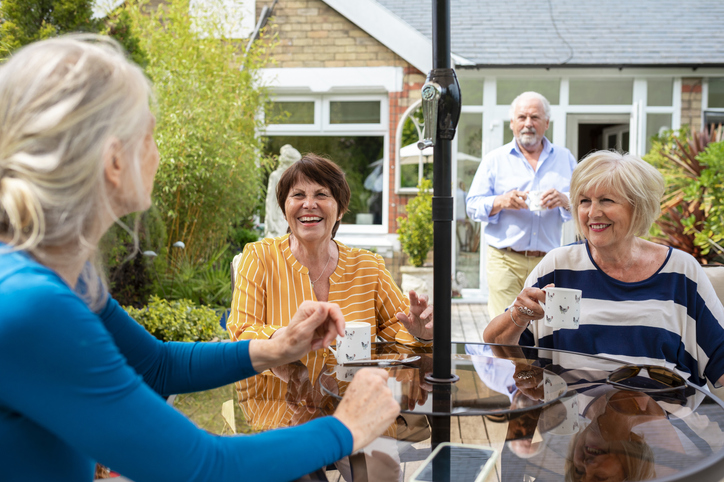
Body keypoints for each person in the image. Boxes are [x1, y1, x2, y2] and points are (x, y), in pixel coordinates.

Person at [0, 35, 401, 482]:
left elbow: (157, 365)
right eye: (151, 133)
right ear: (114, 160)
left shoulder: (67, 283)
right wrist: (346, 428)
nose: (157, 151)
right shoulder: (32, 306)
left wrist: (279, 347)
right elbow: (201, 465)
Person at [483, 150, 724, 388]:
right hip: (574, 420)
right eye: (584, 201)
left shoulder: (680, 272)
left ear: (637, 207)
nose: (593, 213)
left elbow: (719, 355)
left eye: (606, 200)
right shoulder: (558, 265)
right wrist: (518, 315)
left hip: (658, 421)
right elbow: (498, 344)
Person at [227, 153, 434, 431]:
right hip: (277, 402)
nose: (308, 204)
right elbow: (241, 331)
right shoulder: (259, 257)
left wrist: (418, 332)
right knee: (300, 464)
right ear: (285, 206)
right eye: (297, 194)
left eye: (321, 194)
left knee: (377, 462)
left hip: (356, 405)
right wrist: (284, 339)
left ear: (340, 208)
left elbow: (396, 333)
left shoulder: (368, 266)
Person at [466, 91, 576, 319]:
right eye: (522, 117)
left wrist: (565, 201)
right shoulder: (494, 159)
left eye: (535, 117)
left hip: (549, 261)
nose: (528, 124)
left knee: (549, 325)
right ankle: (507, 358)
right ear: (512, 123)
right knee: (506, 326)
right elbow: (472, 205)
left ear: (546, 123)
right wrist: (501, 201)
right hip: (505, 260)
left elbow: (584, 203)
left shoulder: (565, 158)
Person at [264, 144, 301, 238]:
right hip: (277, 217)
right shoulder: (275, 176)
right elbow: (270, 199)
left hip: (289, 215)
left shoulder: (295, 178)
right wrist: (270, 220)